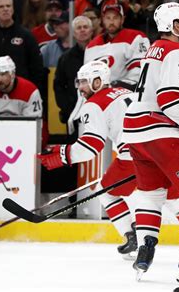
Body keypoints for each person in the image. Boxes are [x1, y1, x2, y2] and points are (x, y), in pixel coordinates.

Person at [121, 2, 179, 283]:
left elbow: (167, 92)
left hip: (135, 133)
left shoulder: (154, 50)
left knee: (152, 193)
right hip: (159, 130)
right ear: (174, 25)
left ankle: (144, 251)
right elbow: (170, 99)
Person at [37, 60, 139, 260]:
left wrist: (61, 157)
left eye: (85, 82)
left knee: (108, 193)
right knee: (170, 197)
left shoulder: (94, 104)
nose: (80, 87)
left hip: (133, 155)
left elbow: (91, 148)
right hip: (155, 149)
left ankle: (131, 236)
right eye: (80, 82)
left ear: (99, 81)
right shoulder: (125, 92)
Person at [0, 0, 46, 91]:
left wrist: (33, 89)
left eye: (8, 6)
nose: (5, 9)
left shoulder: (26, 35)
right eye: (1, 7)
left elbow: (37, 66)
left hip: (21, 89)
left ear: (13, 9)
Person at [84, 0, 150, 90]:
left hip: (123, 94)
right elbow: (86, 76)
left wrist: (120, 87)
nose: (111, 22)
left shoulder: (136, 38)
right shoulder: (91, 45)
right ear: (102, 20)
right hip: (98, 94)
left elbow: (139, 71)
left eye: (115, 18)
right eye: (108, 18)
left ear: (122, 19)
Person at [54, 15, 93, 125]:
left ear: (91, 31)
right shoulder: (66, 58)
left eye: (85, 27)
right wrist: (68, 109)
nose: (82, 30)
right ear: (74, 33)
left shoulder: (101, 53)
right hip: (73, 112)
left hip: (98, 108)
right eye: (78, 27)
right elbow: (59, 86)